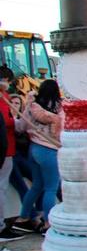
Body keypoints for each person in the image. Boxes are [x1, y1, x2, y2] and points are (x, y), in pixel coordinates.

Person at [12, 80, 65, 235]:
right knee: (51, 188)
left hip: (33, 149)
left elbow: (20, 127)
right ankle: (48, 223)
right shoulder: (60, 109)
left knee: (36, 186)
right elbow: (64, 130)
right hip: (50, 150)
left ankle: (23, 218)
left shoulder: (31, 107)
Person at [0, 80, 20, 242]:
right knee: (2, 188)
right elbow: (6, 122)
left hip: (8, 149)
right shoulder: (2, 100)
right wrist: (17, 121)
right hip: (5, 150)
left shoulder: (4, 98)